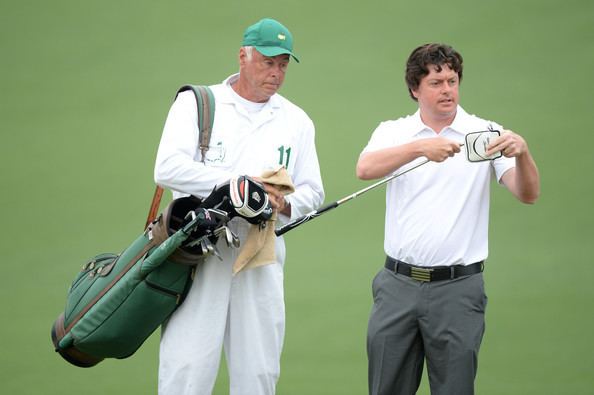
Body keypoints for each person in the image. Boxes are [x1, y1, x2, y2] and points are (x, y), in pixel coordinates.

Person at [356, 43, 540, 395]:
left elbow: (526, 193)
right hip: (397, 286)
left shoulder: (485, 133)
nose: (447, 90)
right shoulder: (393, 132)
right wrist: (419, 148)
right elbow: (365, 169)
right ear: (415, 89)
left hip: (458, 290)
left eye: (452, 81)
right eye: (436, 82)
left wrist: (524, 154)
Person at [154, 18, 324, 395]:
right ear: (243, 57)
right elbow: (166, 168)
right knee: (187, 369)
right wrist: (240, 185)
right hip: (198, 253)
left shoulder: (297, 121)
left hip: (262, 254)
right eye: (267, 62)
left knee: (259, 374)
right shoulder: (198, 103)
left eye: (283, 64)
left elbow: (313, 191)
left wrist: (284, 203)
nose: (276, 73)